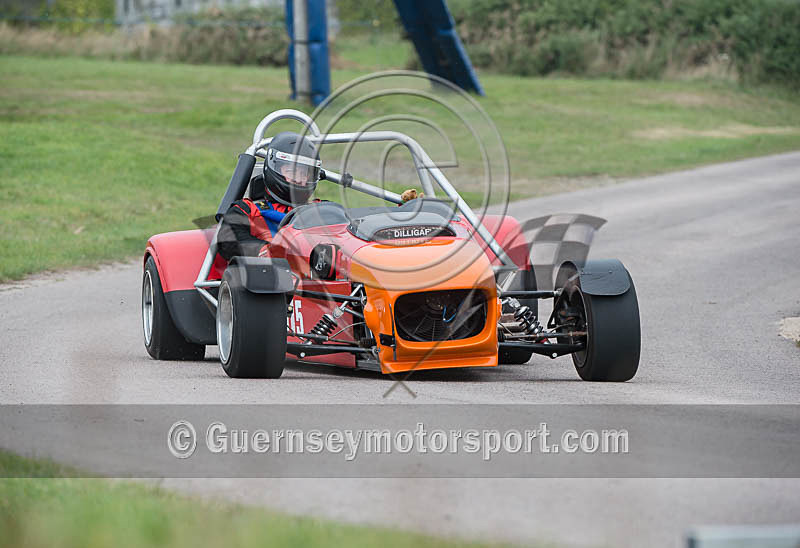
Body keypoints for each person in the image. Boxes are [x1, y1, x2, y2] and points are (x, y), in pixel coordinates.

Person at [217, 131, 322, 260]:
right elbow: (228, 240)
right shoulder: (247, 210)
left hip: (321, 274)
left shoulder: (320, 209)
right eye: (291, 172)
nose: (300, 180)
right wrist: (267, 251)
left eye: (305, 174)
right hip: (269, 274)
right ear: (273, 168)